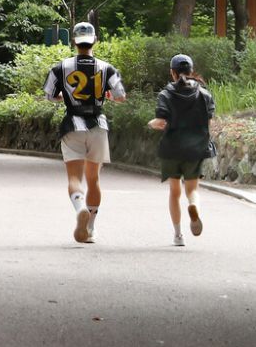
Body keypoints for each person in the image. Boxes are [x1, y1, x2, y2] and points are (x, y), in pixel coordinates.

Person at [43, 21, 127, 243]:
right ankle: (90, 227)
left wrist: (63, 97)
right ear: (94, 41)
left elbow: (50, 96)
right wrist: (108, 96)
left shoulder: (60, 67)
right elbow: (120, 96)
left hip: (72, 125)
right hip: (98, 126)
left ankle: (79, 207)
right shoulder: (107, 68)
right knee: (94, 179)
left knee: (74, 178)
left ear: (74, 41)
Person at [147, 54, 215, 246]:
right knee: (192, 189)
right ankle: (193, 206)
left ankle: (178, 235)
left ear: (172, 73)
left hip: (172, 148)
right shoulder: (204, 94)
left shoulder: (166, 94)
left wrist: (152, 124)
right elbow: (209, 123)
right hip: (195, 148)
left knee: (174, 191)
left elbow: (160, 122)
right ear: (191, 71)